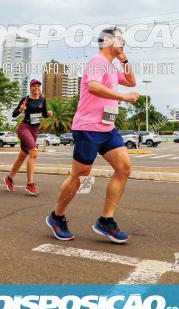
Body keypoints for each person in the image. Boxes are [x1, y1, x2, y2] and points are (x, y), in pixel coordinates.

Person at [45, 27, 139, 243]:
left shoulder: (112, 67)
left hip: (107, 128)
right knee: (80, 175)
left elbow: (131, 82)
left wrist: (125, 61)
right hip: (88, 127)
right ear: (107, 42)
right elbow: (94, 87)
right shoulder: (97, 62)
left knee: (124, 168)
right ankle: (56, 216)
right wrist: (123, 98)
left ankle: (106, 221)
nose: (123, 41)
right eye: (119, 38)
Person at [4, 79, 52, 196]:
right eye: (34, 86)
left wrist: (49, 114)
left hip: (35, 130)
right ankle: (30, 184)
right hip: (25, 128)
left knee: (21, 157)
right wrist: (21, 109)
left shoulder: (42, 99)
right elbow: (14, 114)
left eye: (38, 86)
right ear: (30, 88)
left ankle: (9, 178)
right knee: (34, 152)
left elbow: (44, 114)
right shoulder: (26, 99)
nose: (36, 88)